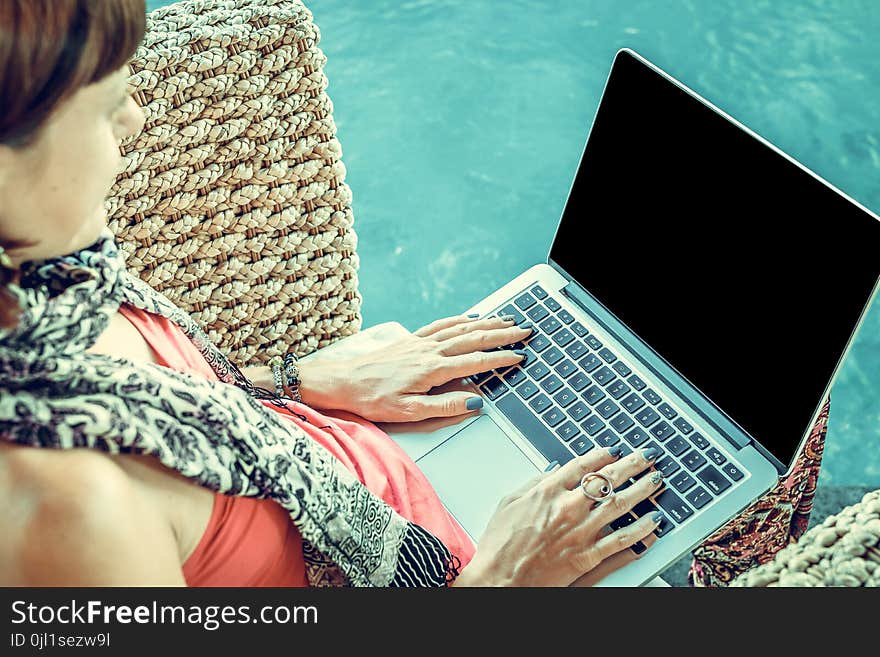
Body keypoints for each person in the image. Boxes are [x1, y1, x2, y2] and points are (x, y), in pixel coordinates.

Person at [0, 0, 668, 587]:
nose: (134, 121)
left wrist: (300, 381)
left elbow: (167, 410)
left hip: (373, 477)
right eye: (103, 104)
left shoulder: (49, 279)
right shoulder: (70, 518)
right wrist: (505, 580)